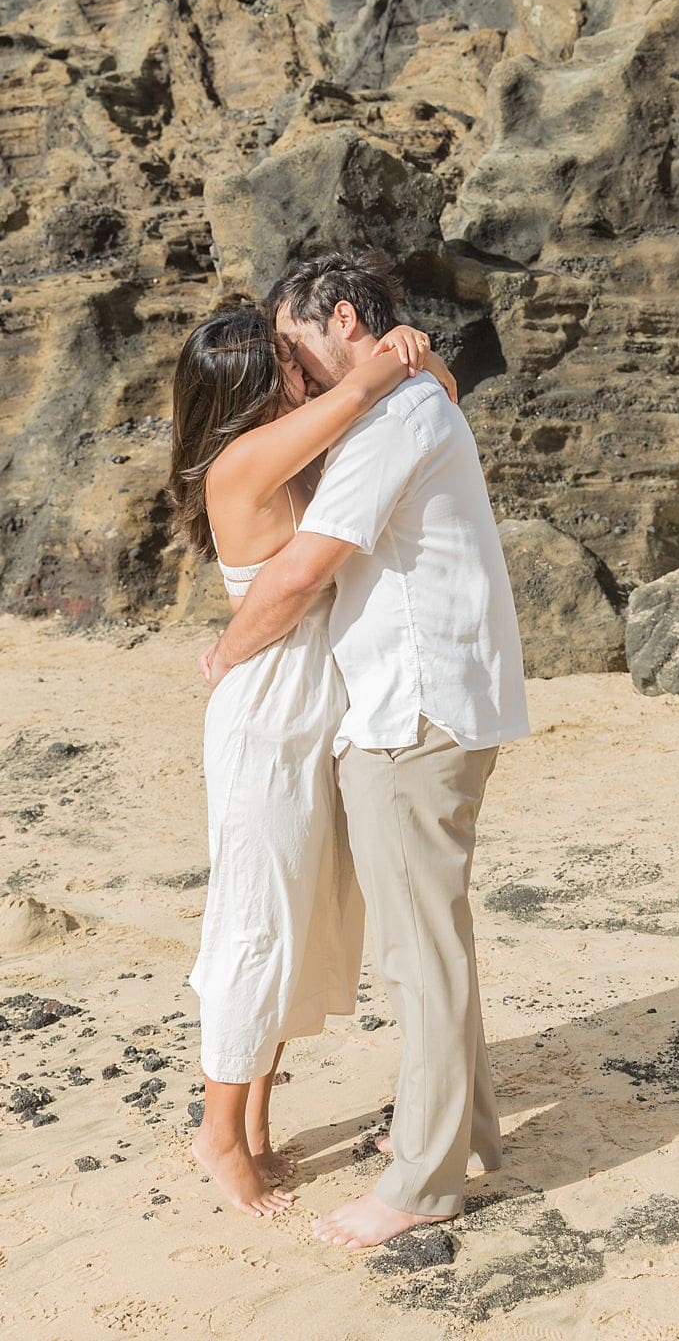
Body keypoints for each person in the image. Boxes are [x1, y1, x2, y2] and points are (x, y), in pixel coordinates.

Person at [200, 250, 530, 1250]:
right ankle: (459, 1137)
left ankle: (423, 1181)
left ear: (340, 318)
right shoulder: (400, 401)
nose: (293, 378)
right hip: (413, 704)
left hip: (414, 709)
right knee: (429, 941)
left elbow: (306, 568)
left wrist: (222, 652)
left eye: (297, 351)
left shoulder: (395, 413)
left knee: (416, 952)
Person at [168, 300, 458, 1218]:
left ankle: (252, 1120)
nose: (302, 370)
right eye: (286, 362)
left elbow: (417, 405)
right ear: (255, 387)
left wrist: (419, 359)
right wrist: (396, 346)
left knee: (294, 921)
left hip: (312, 709)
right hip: (267, 715)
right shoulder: (245, 462)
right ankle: (217, 1134)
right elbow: (374, 383)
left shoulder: (293, 453)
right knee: (255, 922)